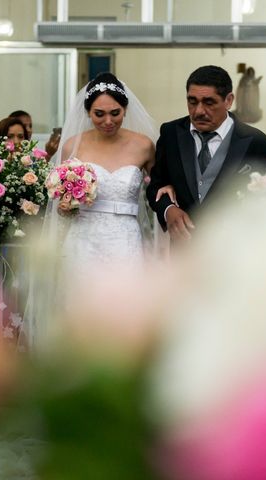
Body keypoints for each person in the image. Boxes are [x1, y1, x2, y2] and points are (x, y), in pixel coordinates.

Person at [20, 72, 157, 347]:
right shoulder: (73, 145)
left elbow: (157, 191)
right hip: (84, 239)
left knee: (125, 313)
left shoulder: (144, 145)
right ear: (87, 112)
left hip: (125, 239)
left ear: (125, 109)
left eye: (115, 113)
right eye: (99, 114)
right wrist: (65, 206)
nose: (108, 121)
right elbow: (58, 200)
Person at [146, 65, 266, 243]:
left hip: (235, 254)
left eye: (209, 102)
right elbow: (155, 187)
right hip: (183, 254)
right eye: (192, 101)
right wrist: (168, 210)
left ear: (228, 101)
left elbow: (265, 202)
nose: (198, 111)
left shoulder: (258, 143)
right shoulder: (171, 134)